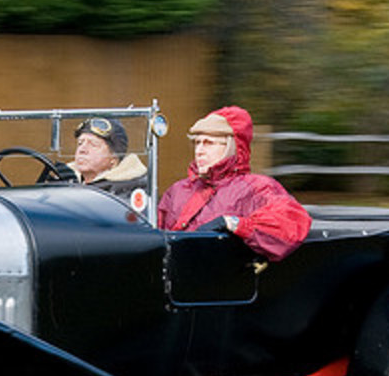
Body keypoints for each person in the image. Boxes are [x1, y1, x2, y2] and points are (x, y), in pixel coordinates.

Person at [157, 105, 311, 262]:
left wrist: (233, 223)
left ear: (232, 147)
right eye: (197, 143)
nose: (199, 151)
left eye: (209, 143)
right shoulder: (178, 190)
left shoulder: (256, 188)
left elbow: (290, 223)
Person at [71, 117, 150, 212]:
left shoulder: (132, 192)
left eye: (93, 145)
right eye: (80, 143)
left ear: (113, 158)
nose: (82, 150)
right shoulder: (66, 179)